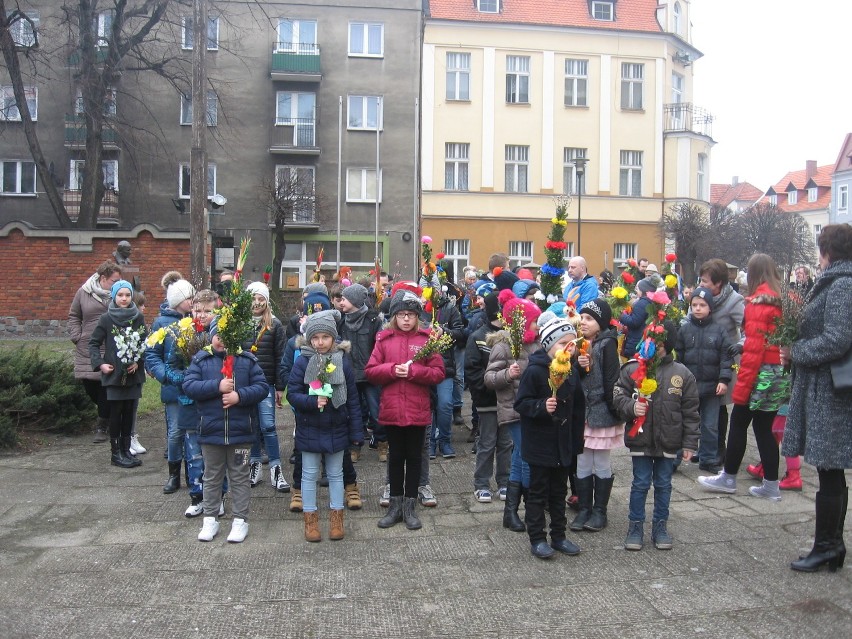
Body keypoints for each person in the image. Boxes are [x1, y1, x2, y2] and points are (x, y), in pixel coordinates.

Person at [781, 224, 852, 572]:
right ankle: (832, 546)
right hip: (826, 389)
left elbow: (838, 339)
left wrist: (796, 350)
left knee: (829, 470)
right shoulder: (836, 282)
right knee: (831, 471)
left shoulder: (842, 285)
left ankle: (827, 547)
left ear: (828, 251)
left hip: (831, 393)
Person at [699, 254, 787, 501]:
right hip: (776, 371)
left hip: (760, 373)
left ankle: (728, 477)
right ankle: (771, 483)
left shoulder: (759, 303)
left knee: (739, 422)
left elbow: (754, 350)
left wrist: (742, 388)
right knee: (764, 427)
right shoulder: (780, 300)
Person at [614, 321, 700, 550]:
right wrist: (632, 407)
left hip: (669, 440)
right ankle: (635, 527)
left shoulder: (682, 374)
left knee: (663, 484)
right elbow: (618, 394)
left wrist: (690, 443)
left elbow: (691, 412)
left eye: (660, 342)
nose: (655, 346)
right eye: (651, 340)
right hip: (641, 439)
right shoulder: (633, 369)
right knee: (640, 483)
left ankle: (660, 527)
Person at [183, 320, 268, 544]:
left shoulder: (247, 361)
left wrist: (239, 396)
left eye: (226, 335)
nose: (221, 340)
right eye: (217, 335)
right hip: (211, 432)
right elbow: (189, 386)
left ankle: (240, 521)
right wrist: (216, 386)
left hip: (241, 433)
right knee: (211, 477)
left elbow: (261, 387)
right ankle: (210, 519)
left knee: (240, 477)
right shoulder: (202, 360)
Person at [366, 291, 445, 531]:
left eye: (411, 315)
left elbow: (438, 373)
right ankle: (395, 505)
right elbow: (370, 370)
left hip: (417, 408)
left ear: (417, 317)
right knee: (395, 457)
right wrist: (392, 370)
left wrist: (413, 372)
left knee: (414, 457)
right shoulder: (384, 339)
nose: (407, 319)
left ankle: (410, 506)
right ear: (395, 317)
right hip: (392, 408)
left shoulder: (427, 340)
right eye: (402, 315)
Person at [287, 311, 364, 542]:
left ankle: (336, 518)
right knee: (309, 475)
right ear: (309, 339)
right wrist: (312, 402)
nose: (320, 342)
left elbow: (352, 400)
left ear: (333, 338)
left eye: (325, 337)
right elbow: (292, 394)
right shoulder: (302, 361)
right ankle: (310, 521)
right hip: (310, 427)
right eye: (315, 338)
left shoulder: (343, 362)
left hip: (336, 427)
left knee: (336, 473)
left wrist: (356, 431)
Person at [514, 315, 585, 559]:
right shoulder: (534, 371)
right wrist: (541, 406)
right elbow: (522, 403)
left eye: (571, 343)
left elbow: (577, 410)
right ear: (548, 346)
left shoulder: (572, 372)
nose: (568, 348)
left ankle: (559, 536)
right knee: (538, 492)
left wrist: (576, 441)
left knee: (558, 492)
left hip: (562, 444)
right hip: (540, 444)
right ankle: (537, 538)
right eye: (561, 344)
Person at [485, 296, 542, 532]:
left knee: (520, 457)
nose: (537, 325)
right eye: (534, 321)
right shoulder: (502, 346)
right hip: (514, 410)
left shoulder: (536, 344)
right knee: (528, 457)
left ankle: (511, 513)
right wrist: (508, 373)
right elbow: (489, 379)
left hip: (532, 409)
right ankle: (532, 510)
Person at [571, 298, 623, 533]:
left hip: (601, 412)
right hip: (582, 412)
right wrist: (579, 365)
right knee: (582, 460)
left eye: (589, 318)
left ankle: (599, 511)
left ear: (600, 323)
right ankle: (584, 508)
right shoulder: (579, 343)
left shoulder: (607, 345)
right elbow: (575, 378)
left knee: (600, 461)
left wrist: (616, 411)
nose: (583, 322)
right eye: (582, 317)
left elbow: (612, 379)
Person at [672, 287, 734, 473]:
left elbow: (726, 357)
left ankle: (708, 458)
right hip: (688, 389)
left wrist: (724, 380)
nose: (698, 308)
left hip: (711, 388)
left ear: (710, 308)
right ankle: (674, 459)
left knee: (710, 426)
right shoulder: (684, 330)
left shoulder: (719, 331)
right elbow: (678, 356)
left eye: (702, 305)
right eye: (694, 305)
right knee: (682, 424)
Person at [88, 279, 146, 468]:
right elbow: (94, 343)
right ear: (114, 296)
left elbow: (144, 342)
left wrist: (137, 361)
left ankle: (126, 450)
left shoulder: (137, 317)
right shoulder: (106, 318)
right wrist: (100, 365)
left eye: (127, 295)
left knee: (129, 413)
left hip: (132, 375)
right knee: (116, 412)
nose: (124, 298)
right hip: (114, 374)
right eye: (120, 295)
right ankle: (116, 453)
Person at [691, 258, 745, 464]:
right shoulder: (700, 297)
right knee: (700, 405)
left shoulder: (734, 301)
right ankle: (705, 447)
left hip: (723, 360)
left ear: (718, 283)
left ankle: (718, 449)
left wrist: (738, 345)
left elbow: (748, 329)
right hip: (701, 360)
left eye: (705, 281)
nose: (701, 284)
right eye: (701, 280)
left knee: (719, 405)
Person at [145, 278, 196, 494]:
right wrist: (165, 375)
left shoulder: (198, 319)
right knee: (175, 432)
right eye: (189, 298)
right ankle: (174, 474)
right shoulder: (161, 323)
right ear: (178, 301)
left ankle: (194, 473)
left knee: (193, 431)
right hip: (173, 386)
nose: (193, 301)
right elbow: (152, 353)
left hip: (194, 385)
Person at [69, 261, 122, 443]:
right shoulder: (84, 292)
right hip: (88, 346)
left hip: (110, 347)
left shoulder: (119, 295)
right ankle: (107, 413)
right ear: (103, 278)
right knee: (90, 385)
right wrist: (77, 335)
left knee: (106, 385)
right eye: (114, 281)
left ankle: (102, 425)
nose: (117, 284)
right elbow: (74, 315)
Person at [242, 282, 288, 492]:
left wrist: (280, 386)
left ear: (267, 301)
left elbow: (280, 357)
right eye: (253, 298)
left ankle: (276, 470)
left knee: (268, 426)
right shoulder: (239, 323)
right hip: (245, 384)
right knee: (252, 426)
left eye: (261, 299)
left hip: (266, 382)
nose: (257, 303)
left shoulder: (275, 325)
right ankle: (255, 466)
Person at [466, 293, 509, 503]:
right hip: (488, 401)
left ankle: (505, 482)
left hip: (508, 401)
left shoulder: (512, 335)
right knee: (487, 442)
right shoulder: (478, 336)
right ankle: (482, 483)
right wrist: (487, 390)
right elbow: (472, 370)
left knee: (507, 443)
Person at [339, 284, 384, 467]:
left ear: (355, 301)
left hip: (371, 374)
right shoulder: (341, 321)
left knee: (377, 411)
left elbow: (380, 347)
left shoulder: (373, 320)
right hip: (350, 375)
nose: (341, 302)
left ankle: (382, 443)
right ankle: (355, 446)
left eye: (344, 299)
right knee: (353, 412)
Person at [619, 278, 655, 358]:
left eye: (638, 289)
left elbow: (634, 322)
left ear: (643, 290)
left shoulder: (641, 303)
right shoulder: (649, 302)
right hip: (640, 339)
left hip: (636, 341)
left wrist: (621, 316)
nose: (636, 291)